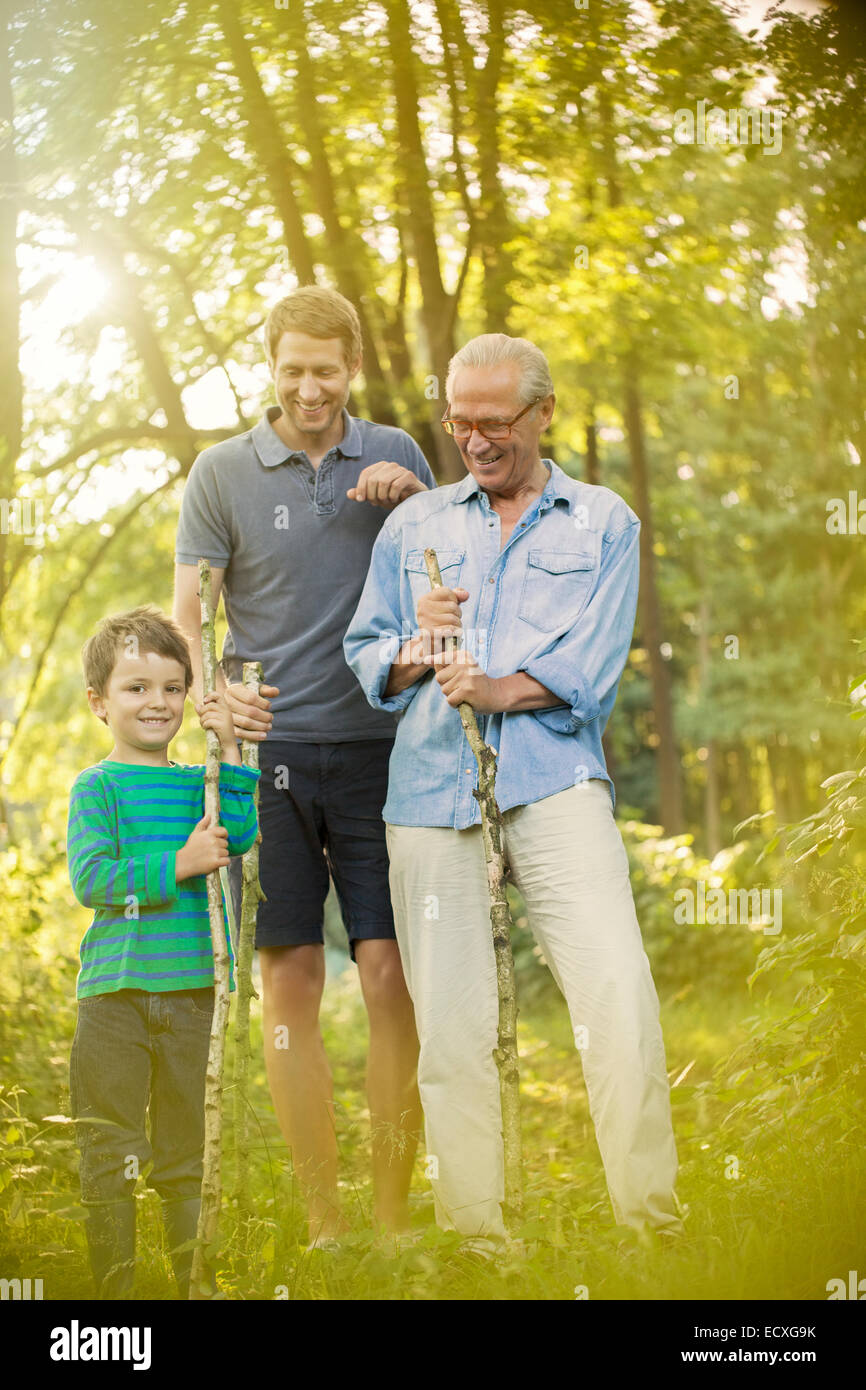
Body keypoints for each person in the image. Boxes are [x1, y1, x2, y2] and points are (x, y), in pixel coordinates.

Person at [344, 332, 684, 1245]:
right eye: (460, 423)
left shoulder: (604, 522)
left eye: (496, 422)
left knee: (617, 996)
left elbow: (593, 669)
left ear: (543, 413)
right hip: (428, 795)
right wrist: (421, 643)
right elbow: (365, 652)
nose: (477, 440)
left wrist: (495, 687)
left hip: (554, 783)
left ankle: (653, 1229)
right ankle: (478, 1242)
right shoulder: (414, 527)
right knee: (451, 1034)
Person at [173, 286, 433, 1245]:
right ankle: (326, 1218)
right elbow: (190, 615)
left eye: (327, 370)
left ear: (351, 369)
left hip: (382, 752)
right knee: (289, 984)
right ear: (269, 366)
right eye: (293, 370)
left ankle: (395, 1213)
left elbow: (449, 574)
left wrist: (420, 505)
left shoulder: (397, 454)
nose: (311, 387)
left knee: (387, 976)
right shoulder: (220, 472)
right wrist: (212, 698)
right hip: (271, 759)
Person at [67, 605, 259, 1298]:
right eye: (137, 688)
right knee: (110, 1146)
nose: (158, 703)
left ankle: (190, 1283)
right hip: (114, 1000)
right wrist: (177, 863)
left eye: (173, 688)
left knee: (185, 1154)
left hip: (190, 994)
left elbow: (236, 831)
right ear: (100, 702)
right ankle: (116, 1292)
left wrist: (229, 748)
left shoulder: (193, 784)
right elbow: (94, 880)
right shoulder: (98, 787)